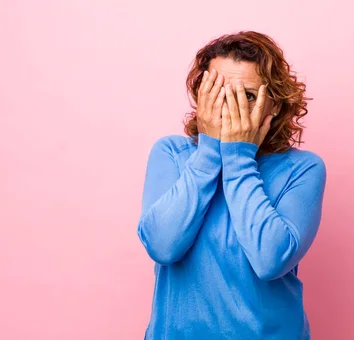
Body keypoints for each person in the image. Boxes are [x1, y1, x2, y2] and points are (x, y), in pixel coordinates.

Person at [137, 31, 327, 339]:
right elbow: (162, 246)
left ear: (274, 106)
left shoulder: (303, 169)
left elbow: (269, 261)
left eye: (248, 96)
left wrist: (239, 157)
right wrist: (210, 151)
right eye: (217, 91)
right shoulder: (171, 154)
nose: (229, 106)